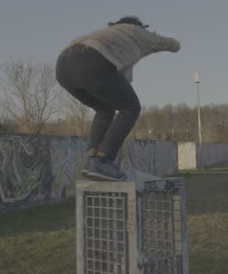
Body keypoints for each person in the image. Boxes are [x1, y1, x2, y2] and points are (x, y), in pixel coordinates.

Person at [55, 16, 181, 181]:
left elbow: (122, 77)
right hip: (91, 61)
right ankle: (104, 159)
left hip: (63, 68)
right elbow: (169, 43)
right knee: (130, 107)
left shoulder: (109, 34)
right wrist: (176, 45)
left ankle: (92, 159)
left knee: (105, 109)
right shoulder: (137, 32)